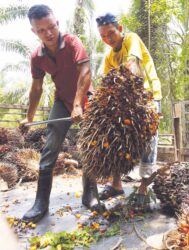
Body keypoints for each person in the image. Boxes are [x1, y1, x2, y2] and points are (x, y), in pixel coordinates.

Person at [19, 4, 104, 223]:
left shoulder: (72, 42)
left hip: (86, 99)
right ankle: (41, 203)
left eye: (52, 27)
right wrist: (29, 117)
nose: (48, 33)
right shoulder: (37, 57)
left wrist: (78, 105)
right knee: (50, 149)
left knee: (89, 147)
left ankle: (90, 193)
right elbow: (36, 88)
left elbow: (85, 72)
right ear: (34, 31)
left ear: (57, 23)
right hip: (61, 101)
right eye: (41, 30)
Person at [96, 13, 162, 206]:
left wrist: (124, 87)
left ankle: (144, 187)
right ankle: (116, 185)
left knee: (149, 140)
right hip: (126, 102)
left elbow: (132, 64)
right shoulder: (109, 57)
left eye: (111, 33)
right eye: (104, 36)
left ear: (120, 29)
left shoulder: (131, 39)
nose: (108, 39)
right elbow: (107, 84)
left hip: (148, 97)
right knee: (116, 137)